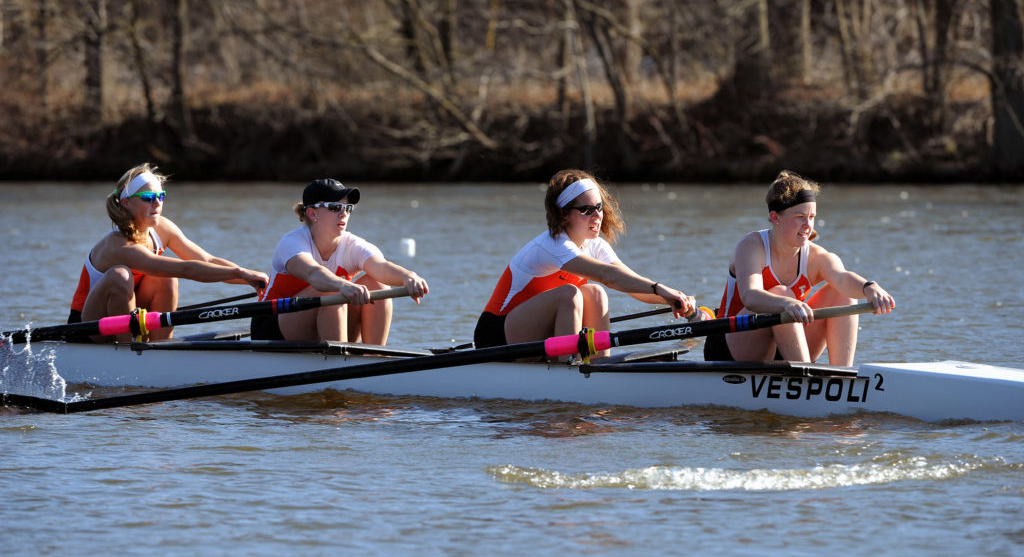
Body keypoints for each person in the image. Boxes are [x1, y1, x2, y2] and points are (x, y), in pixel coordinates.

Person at [473, 169, 698, 358]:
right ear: (564, 216)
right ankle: (569, 369)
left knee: (595, 293)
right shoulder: (553, 245)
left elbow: (633, 286)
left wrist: (676, 297)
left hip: (534, 332)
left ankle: (598, 366)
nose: (597, 216)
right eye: (586, 210)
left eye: (598, 207)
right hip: (496, 335)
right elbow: (609, 276)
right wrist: (660, 288)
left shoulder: (595, 245)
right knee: (570, 294)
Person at [703, 170, 895, 365]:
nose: (808, 225)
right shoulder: (752, 246)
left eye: (812, 216)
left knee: (843, 295)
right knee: (781, 293)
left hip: (787, 344)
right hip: (729, 346)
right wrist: (786, 303)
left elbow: (842, 278)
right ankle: (805, 379)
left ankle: (842, 377)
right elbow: (749, 296)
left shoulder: (816, 256)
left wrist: (869, 287)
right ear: (775, 218)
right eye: (800, 216)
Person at [68, 164, 269, 342]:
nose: (157, 203)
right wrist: (240, 273)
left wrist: (256, 281)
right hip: (87, 327)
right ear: (126, 202)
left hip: (127, 317)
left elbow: (206, 260)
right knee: (120, 275)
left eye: (160, 196)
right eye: (148, 198)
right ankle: (129, 349)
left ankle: (161, 344)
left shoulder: (162, 228)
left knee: (167, 279)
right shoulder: (118, 246)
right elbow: (187, 270)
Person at [250, 178, 428, 344]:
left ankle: (374, 360)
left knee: (378, 284)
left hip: (327, 322)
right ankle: (339, 365)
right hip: (271, 327)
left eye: (347, 208)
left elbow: (381, 267)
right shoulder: (292, 243)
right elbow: (314, 273)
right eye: (335, 207)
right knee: (330, 291)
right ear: (312, 213)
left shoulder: (353, 245)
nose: (344, 213)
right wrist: (342, 285)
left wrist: (408, 277)